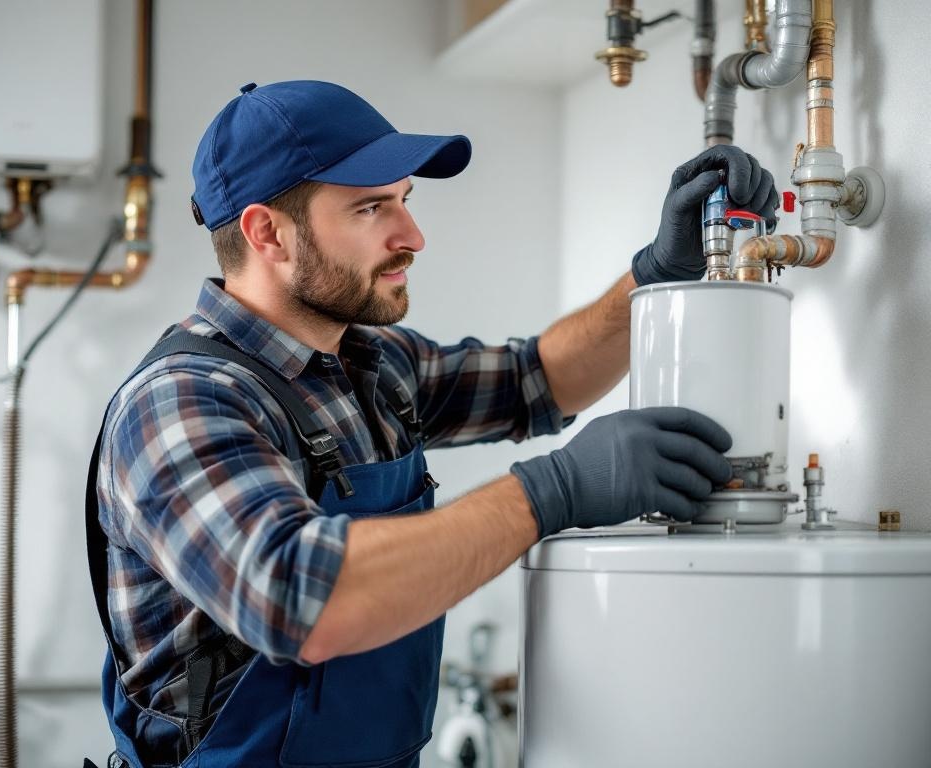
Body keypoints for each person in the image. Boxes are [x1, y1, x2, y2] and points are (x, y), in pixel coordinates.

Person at [85, 80, 777, 768]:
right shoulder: (181, 403)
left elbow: (534, 379)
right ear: (268, 232)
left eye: (406, 201)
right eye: (370, 207)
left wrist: (656, 273)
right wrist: (550, 492)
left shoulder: (372, 365)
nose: (412, 235)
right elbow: (301, 599)